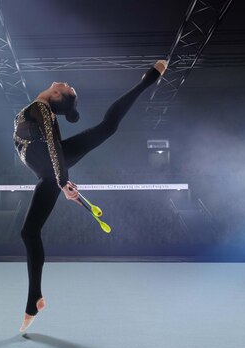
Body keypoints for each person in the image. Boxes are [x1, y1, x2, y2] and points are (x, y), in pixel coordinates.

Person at [13, 60, 168, 332]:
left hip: (49, 169)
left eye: (67, 87)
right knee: (29, 232)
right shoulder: (43, 111)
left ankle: (147, 80)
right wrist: (62, 178)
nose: (65, 83)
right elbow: (56, 150)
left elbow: (51, 143)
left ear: (57, 95)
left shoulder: (40, 107)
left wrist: (62, 180)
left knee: (107, 127)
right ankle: (34, 299)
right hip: (48, 170)